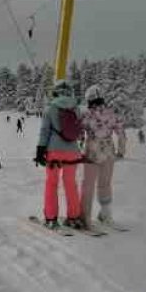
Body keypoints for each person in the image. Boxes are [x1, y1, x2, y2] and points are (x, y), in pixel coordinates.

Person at [35, 79, 85, 230]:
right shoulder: (77, 109)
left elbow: (45, 131)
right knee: (70, 183)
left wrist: (40, 151)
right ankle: (74, 217)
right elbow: (80, 132)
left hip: (54, 151)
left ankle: (51, 218)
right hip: (72, 152)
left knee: (52, 183)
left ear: (55, 91)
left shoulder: (50, 108)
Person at [79, 85, 127, 230]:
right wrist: (121, 151)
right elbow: (121, 133)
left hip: (91, 154)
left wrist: (79, 145)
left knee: (88, 185)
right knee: (105, 184)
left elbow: (79, 134)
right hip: (108, 153)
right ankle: (106, 214)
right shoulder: (112, 113)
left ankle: (85, 217)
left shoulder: (86, 115)